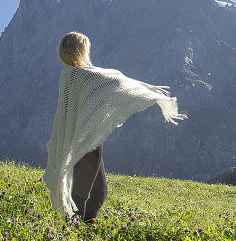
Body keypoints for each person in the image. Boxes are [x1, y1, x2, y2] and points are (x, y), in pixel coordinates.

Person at [43, 31, 187, 222]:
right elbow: (115, 81)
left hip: (87, 139)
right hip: (84, 141)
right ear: (80, 50)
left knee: (99, 191)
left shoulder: (69, 75)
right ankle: (74, 230)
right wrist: (149, 93)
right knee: (82, 192)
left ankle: (82, 227)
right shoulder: (80, 75)